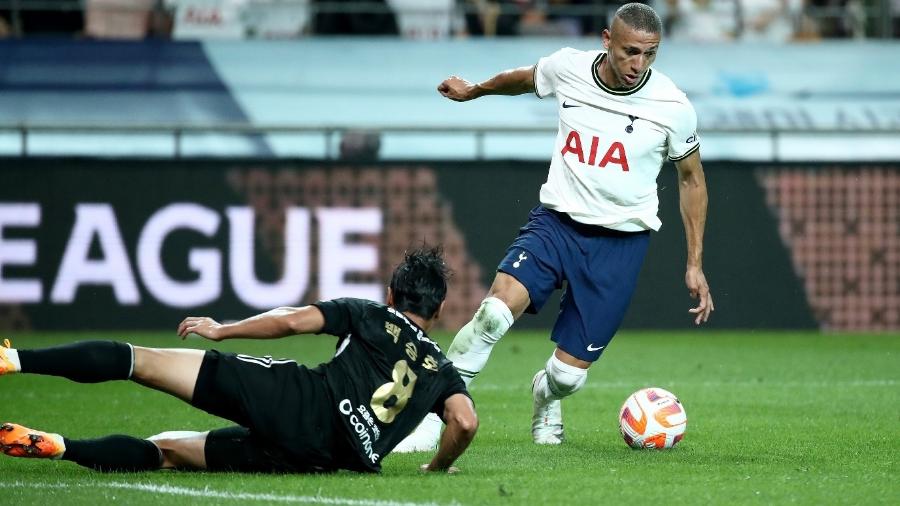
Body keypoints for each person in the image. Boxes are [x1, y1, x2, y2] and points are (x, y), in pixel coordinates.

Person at [396, 2, 712, 451]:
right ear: (607, 40)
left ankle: (545, 396)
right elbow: (526, 77)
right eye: (629, 51)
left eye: (649, 53)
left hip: (619, 243)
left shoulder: (672, 106)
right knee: (491, 315)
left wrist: (695, 263)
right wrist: (475, 91)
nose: (637, 64)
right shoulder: (569, 68)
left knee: (567, 378)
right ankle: (430, 421)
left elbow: (692, 179)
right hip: (556, 224)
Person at [0, 246, 477, 474]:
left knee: (140, 362)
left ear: (391, 293)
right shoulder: (440, 368)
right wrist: (437, 467)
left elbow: (293, 322)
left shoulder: (371, 314)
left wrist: (222, 329)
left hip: (299, 402)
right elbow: (465, 421)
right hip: (322, 459)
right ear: (437, 312)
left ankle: (14, 360)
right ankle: (63, 446)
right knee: (166, 453)